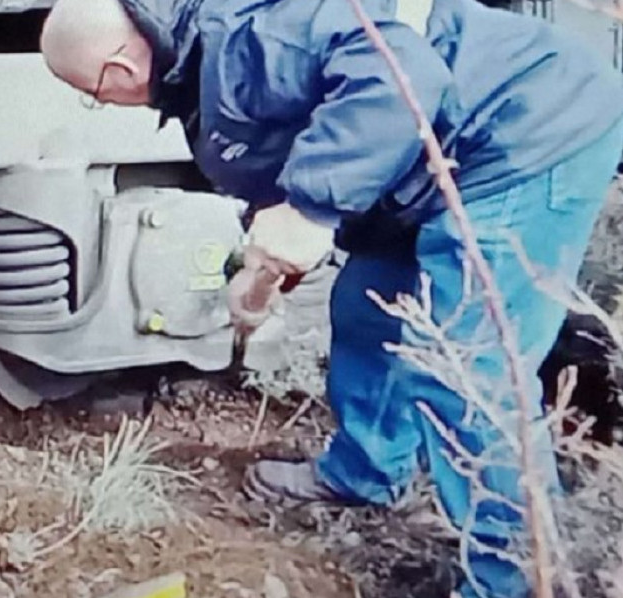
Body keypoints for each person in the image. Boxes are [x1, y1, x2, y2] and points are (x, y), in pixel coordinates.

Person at [39, 0, 623, 595]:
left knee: (470, 365)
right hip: (425, 166)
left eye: (93, 94)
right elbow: (286, 157)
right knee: (366, 309)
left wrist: (312, 209)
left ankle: (519, 577)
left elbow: (400, 73)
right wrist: (261, 269)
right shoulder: (197, 74)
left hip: (524, 132)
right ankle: (368, 472)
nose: (104, 103)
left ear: (117, 71)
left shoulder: (254, 38)